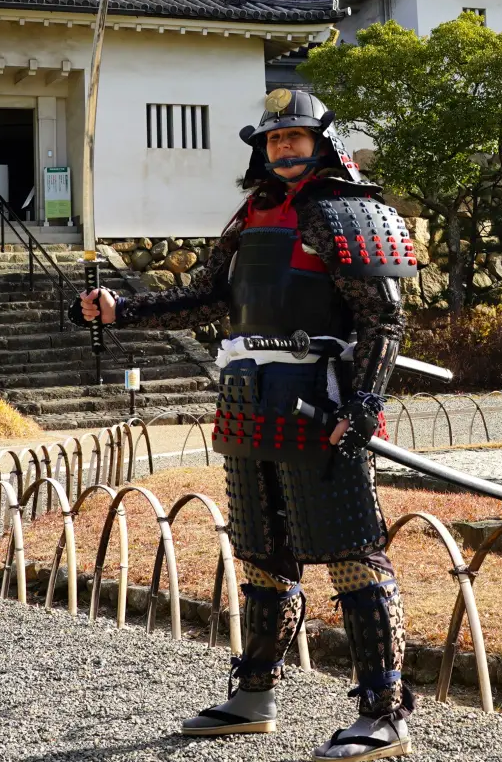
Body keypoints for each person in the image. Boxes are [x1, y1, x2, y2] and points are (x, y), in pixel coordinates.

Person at [79, 87, 420, 761]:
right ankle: (255, 693)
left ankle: (384, 710)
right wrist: (120, 309)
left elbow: (384, 318)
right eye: (273, 140)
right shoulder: (251, 213)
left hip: (318, 399)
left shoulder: (344, 209)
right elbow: (209, 297)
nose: (284, 149)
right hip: (247, 398)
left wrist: (361, 404)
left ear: (321, 140)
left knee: (352, 555)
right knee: (262, 554)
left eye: (295, 138)